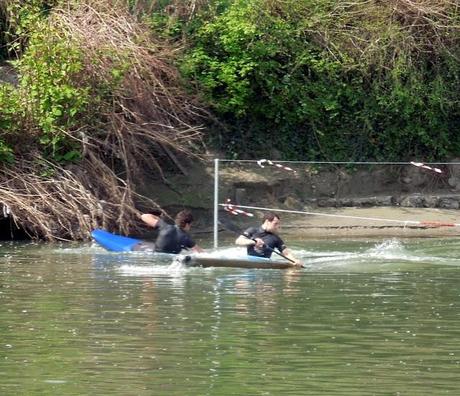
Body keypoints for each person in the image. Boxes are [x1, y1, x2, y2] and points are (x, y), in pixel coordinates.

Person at [235, 212, 302, 266]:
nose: (277, 227)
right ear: (267, 222)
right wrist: (253, 241)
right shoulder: (252, 230)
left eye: (278, 224)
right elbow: (238, 241)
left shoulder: (276, 238)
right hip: (250, 261)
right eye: (275, 224)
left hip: (265, 263)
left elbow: (286, 253)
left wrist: (295, 260)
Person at [139, 209, 204, 254]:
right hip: (171, 262)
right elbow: (201, 253)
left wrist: (158, 220)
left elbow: (144, 216)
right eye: (191, 225)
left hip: (155, 256)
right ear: (187, 224)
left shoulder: (164, 226)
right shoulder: (187, 239)